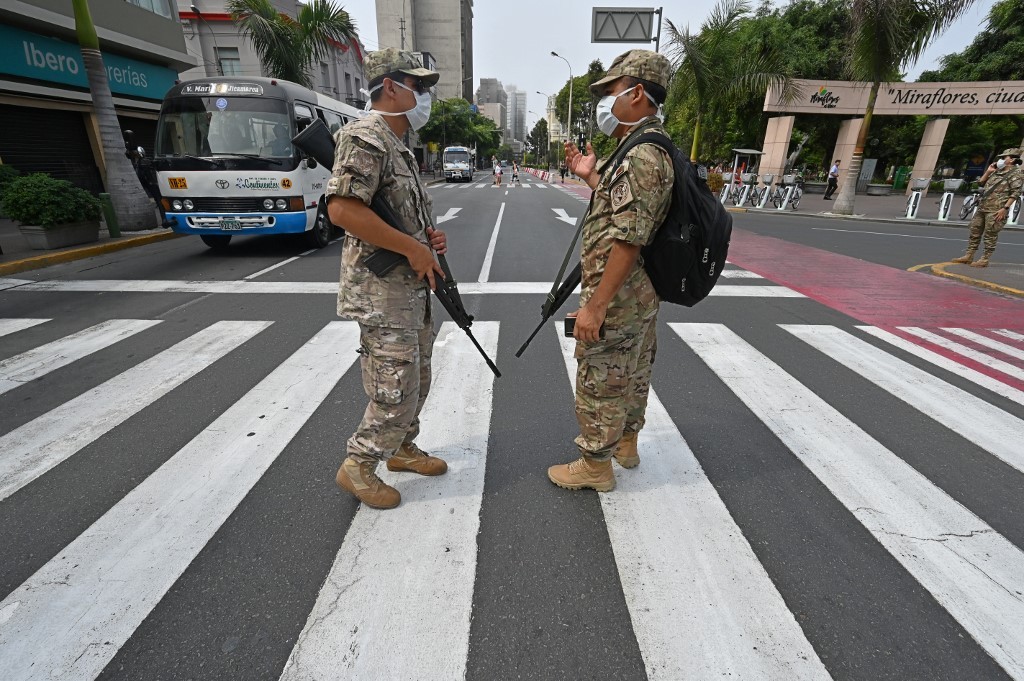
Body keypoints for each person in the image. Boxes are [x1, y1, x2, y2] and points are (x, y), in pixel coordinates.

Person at [325, 48, 449, 510]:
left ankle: (401, 448)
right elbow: (342, 210)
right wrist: (412, 248)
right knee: (394, 386)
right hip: (382, 294)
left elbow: (394, 215)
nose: (424, 95)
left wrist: (425, 238)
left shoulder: (399, 147)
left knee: (418, 377)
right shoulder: (366, 137)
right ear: (391, 87)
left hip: (409, 290)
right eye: (418, 86)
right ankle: (358, 465)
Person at [547, 49, 674, 492]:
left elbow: (629, 238)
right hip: (640, 294)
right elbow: (629, 210)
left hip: (618, 296)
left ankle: (595, 465)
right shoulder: (648, 145)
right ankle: (626, 444)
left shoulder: (641, 154)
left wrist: (596, 305)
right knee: (633, 369)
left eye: (611, 91)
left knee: (601, 375)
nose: (604, 101)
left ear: (636, 94)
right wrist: (591, 177)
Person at [952, 147, 1023, 268]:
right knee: (974, 231)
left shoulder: (1016, 174)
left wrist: (1005, 209)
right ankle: (969, 255)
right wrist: (988, 171)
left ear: (1011, 160)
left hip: (997, 209)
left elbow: (1015, 193)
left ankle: (984, 259)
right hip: (983, 206)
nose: (1000, 160)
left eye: (1003, 157)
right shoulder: (997, 171)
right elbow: (981, 183)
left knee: (990, 235)